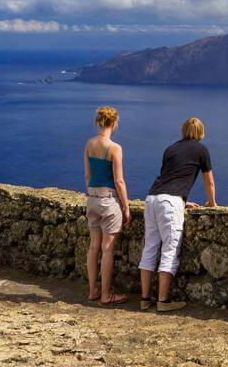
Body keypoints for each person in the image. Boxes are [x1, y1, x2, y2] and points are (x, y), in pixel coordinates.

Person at [139, 116, 217, 312]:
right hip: (170, 202)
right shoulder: (201, 149)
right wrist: (212, 203)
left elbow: (169, 177)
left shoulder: (171, 149)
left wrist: (182, 200)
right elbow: (209, 181)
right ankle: (163, 301)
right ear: (201, 133)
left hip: (152, 198)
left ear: (183, 131)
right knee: (170, 250)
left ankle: (144, 299)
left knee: (150, 248)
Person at [83, 105, 132, 305]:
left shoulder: (89, 144)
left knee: (93, 247)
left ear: (98, 122)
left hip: (92, 198)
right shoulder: (114, 148)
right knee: (107, 249)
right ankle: (105, 294)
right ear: (114, 123)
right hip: (108, 201)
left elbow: (87, 175)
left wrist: (92, 193)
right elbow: (119, 181)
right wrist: (126, 207)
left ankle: (92, 290)